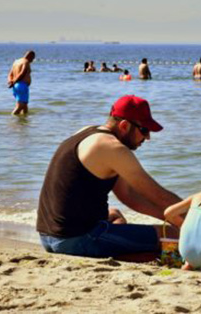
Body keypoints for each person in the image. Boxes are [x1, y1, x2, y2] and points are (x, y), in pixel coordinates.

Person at [37, 95, 183, 262]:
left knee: (114, 214)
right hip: (75, 240)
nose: (147, 137)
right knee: (173, 236)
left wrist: (172, 218)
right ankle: (161, 259)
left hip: (49, 237)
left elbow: (128, 196)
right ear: (124, 125)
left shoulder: (87, 132)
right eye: (144, 130)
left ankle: (130, 255)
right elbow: (158, 195)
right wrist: (192, 220)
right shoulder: (114, 148)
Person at [7, 50, 35, 115]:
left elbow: (10, 74)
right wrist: (14, 82)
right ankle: (13, 119)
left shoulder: (16, 62)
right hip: (22, 85)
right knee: (20, 106)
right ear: (30, 56)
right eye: (33, 58)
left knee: (24, 105)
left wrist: (10, 81)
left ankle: (24, 123)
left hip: (16, 86)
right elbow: (22, 73)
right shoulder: (26, 62)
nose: (32, 60)